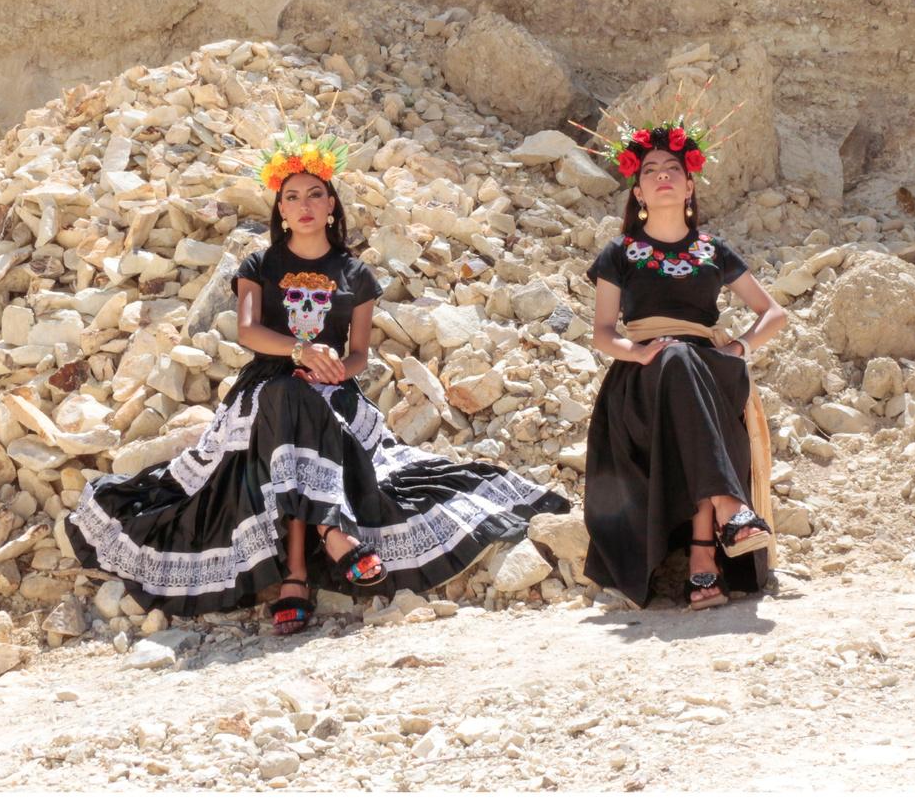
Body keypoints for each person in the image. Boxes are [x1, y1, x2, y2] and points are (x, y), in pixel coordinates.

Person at [64, 127, 568, 634]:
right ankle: (332, 532)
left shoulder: (356, 274)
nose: (303, 206)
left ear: (331, 205)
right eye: (291, 197)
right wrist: (301, 351)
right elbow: (248, 331)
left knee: (303, 397)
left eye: (314, 194)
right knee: (288, 392)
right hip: (266, 385)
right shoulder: (259, 264)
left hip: (333, 391)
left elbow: (359, 355)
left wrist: (336, 370)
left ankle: (297, 576)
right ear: (280, 210)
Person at [583, 118, 787, 609]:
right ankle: (724, 520)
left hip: (707, 367)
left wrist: (739, 348)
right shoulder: (619, 252)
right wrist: (637, 351)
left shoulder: (713, 249)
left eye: (673, 167)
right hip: (642, 375)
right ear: (638, 192)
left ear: (690, 185)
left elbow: (773, 314)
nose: (662, 175)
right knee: (674, 358)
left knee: (689, 367)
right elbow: (603, 333)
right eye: (650, 169)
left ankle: (703, 559)